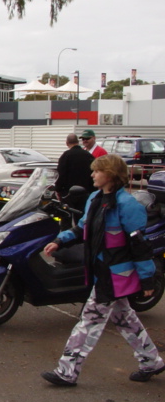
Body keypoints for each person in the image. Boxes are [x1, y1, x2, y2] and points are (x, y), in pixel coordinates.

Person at [41, 154, 164, 386]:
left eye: (97, 171)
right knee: (125, 318)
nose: (92, 175)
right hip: (101, 271)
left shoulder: (127, 205)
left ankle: (67, 371)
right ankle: (151, 361)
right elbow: (83, 228)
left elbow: (140, 247)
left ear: (110, 175)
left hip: (114, 274)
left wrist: (147, 280)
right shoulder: (95, 198)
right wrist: (59, 240)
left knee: (89, 321)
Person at [55, 133, 95, 221]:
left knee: (66, 217)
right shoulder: (88, 155)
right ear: (78, 142)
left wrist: (58, 189)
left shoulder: (66, 156)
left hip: (68, 193)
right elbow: (93, 173)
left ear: (67, 143)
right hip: (85, 192)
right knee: (81, 216)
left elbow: (61, 174)